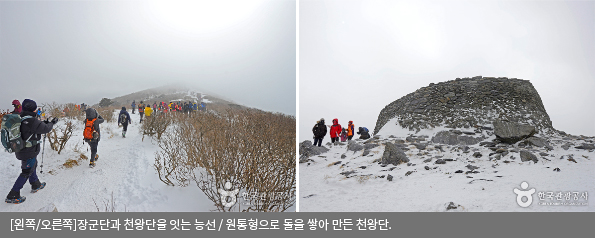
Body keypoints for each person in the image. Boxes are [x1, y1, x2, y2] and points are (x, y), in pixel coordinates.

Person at [5, 99, 57, 204]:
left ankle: (35, 184)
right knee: (26, 171)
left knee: (32, 165)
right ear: (33, 109)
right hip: (29, 151)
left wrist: (44, 123)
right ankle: (13, 194)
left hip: (22, 150)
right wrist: (52, 123)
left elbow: (37, 127)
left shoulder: (21, 118)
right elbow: (46, 128)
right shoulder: (32, 121)